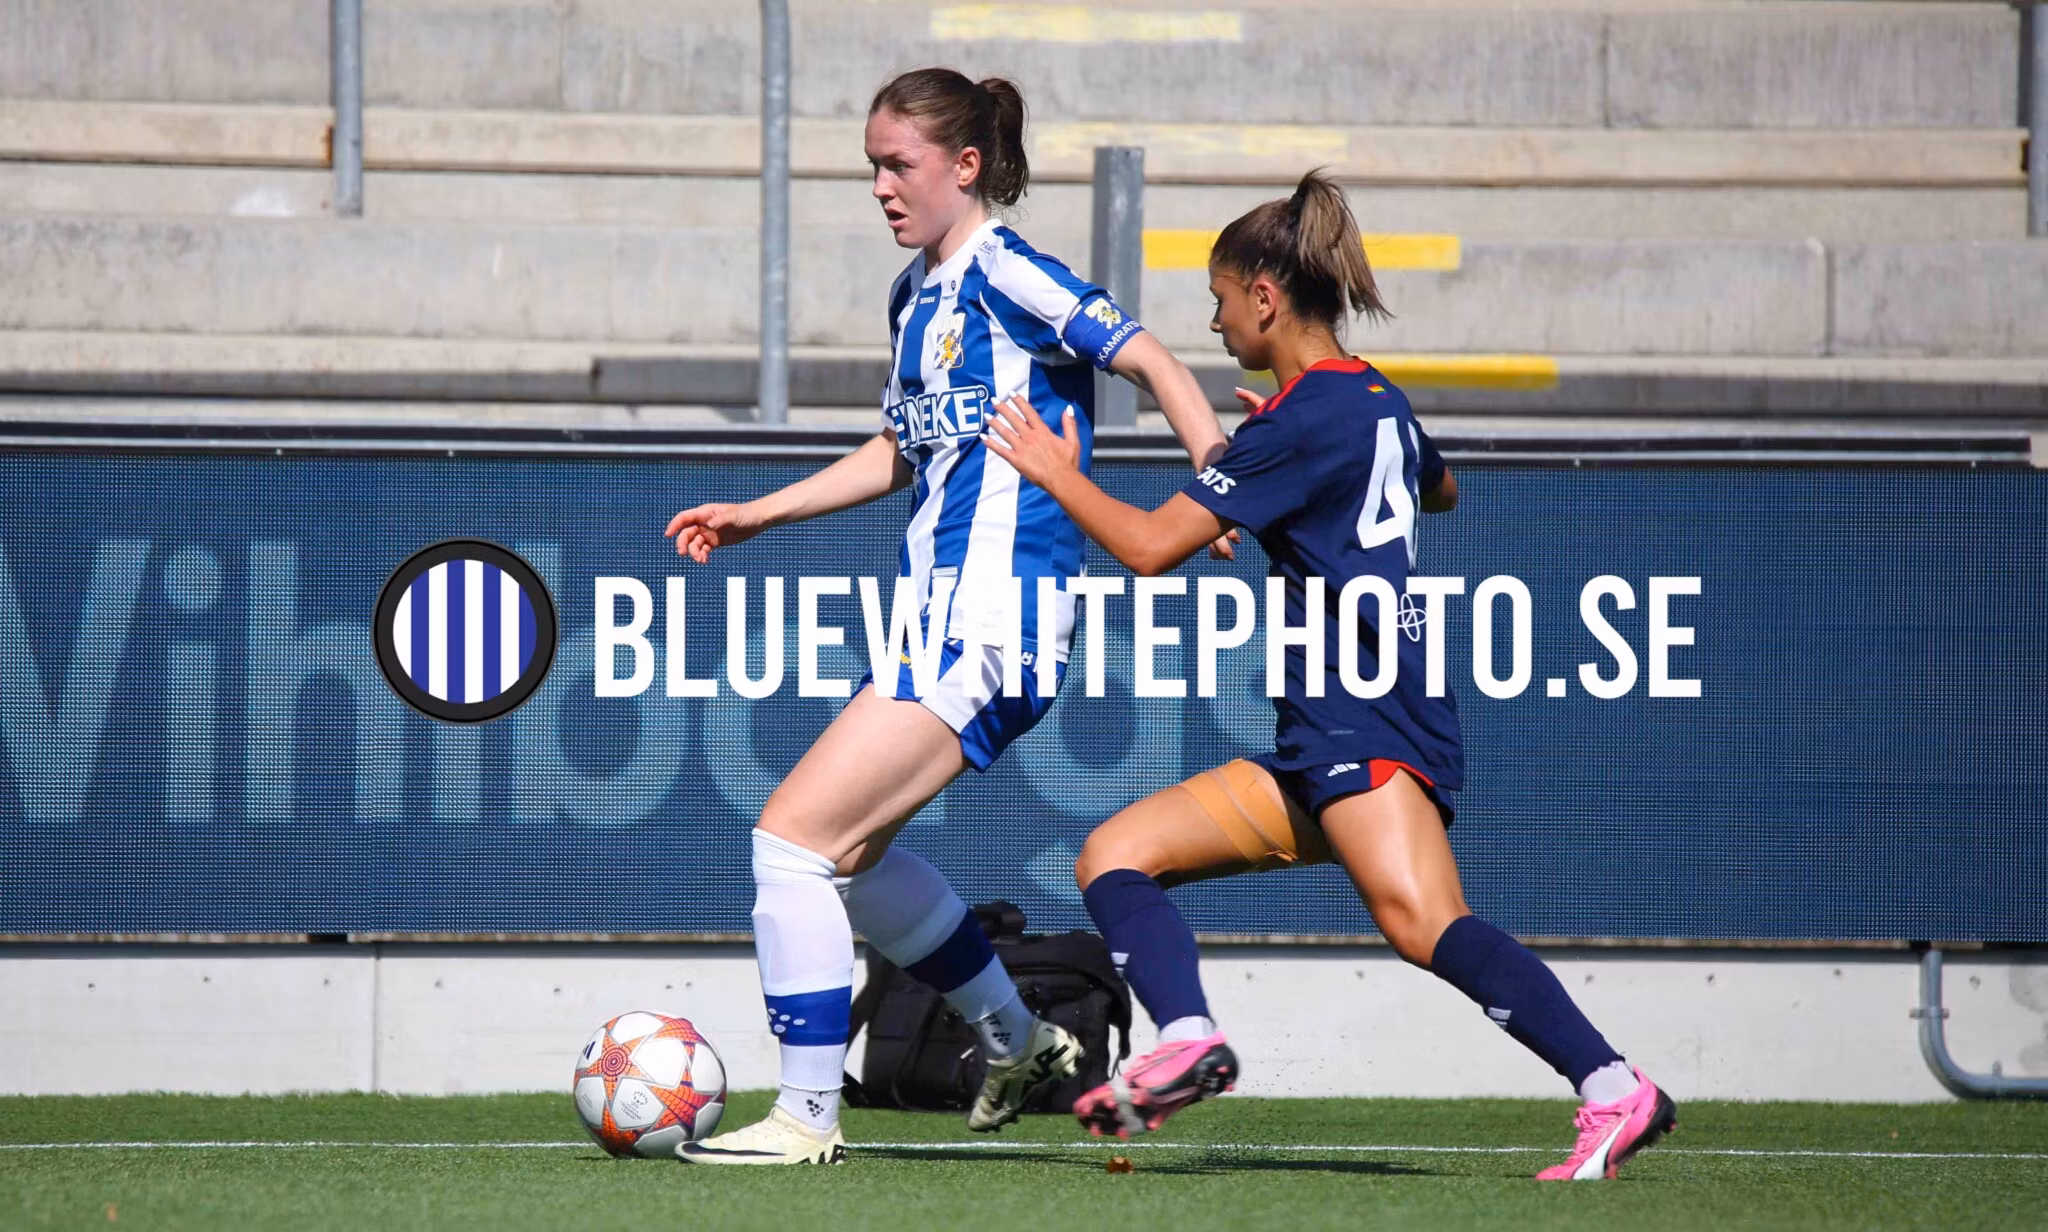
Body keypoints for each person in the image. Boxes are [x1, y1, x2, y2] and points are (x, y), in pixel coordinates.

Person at [983, 169, 1677, 1182]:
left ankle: (1613, 1087)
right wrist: (1297, 448)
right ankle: (1184, 1035)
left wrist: (1057, 472)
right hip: (1328, 732)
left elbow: (1144, 547)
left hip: (1365, 717)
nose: (1215, 324)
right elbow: (1440, 487)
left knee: (1425, 924)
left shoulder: (1302, 424)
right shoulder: (1368, 399)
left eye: (1220, 301)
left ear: (1264, 295)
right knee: (1115, 854)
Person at [663, 67, 1230, 1165]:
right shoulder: (913, 295)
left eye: (897, 164)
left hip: (996, 616)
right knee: (856, 861)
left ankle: (805, 1117)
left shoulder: (1009, 269)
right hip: (935, 621)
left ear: (964, 167)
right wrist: (759, 512)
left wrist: (1215, 482)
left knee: (788, 843)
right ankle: (1017, 1038)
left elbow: (1150, 356)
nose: (879, 186)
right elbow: (898, 448)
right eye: (871, 165)